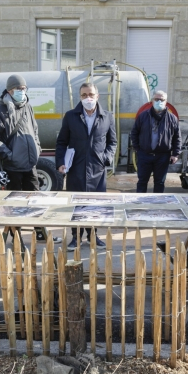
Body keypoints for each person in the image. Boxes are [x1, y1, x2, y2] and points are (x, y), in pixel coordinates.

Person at [0, 74, 60, 243]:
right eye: (18, 89)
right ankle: (16, 235)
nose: (22, 91)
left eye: (24, 88)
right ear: (9, 90)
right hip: (12, 165)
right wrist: (9, 155)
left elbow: (34, 129)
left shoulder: (27, 106)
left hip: (30, 164)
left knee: (35, 199)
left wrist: (37, 148)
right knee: (15, 203)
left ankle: (39, 231)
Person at [55, 82, 117, 251]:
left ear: (97, 96)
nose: (88, 98)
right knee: (77, 203)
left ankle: (92, 235)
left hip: (97, 168)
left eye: (91, 94)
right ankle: (76, 237)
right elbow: (61, 141)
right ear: (80, 97)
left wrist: (106, 158)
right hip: (76, 167)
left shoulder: (107, 117)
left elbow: (112, 142)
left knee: (95, 204)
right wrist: (61, 162)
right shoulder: (71, 116)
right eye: (84, 95)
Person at [130, 90, 181, 194]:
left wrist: (175, 154)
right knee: (142, 181)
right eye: (156, 99)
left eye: (162, 100)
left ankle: (158, 206)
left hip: (163, 156)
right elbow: (134, 132)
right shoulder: (143, 116)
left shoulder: (172, 118)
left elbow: (177, 137)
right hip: (144, 154)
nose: (159, 102)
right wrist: (137, 149)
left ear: (166, 101)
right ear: (152, 100)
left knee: (159, 182)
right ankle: (139, 204)